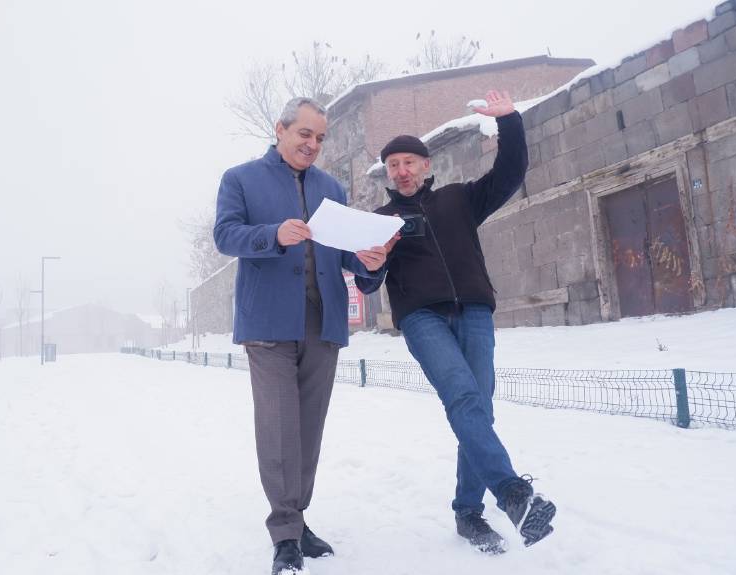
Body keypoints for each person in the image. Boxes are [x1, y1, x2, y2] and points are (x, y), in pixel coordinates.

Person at [357, 90, 556, 554]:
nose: (402, 171)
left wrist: (509, 122)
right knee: (463, 397)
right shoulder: (380, 220)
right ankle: (512, 493)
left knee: (479, 410)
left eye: (409, 162)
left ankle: (468, 512)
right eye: (393, 166)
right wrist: (371, 262)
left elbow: (510, 174)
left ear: (427, 165)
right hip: (422, 318)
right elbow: (367, 282)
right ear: (388, 175)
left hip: (474, 312)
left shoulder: (460, 200)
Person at [214, 97, 391, 574]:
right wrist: (273, 235)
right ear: (281, 129)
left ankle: (298, 517)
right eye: (304, 134)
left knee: (308, 429)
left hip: (323, 323)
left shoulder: (332, 188)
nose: (312, 144)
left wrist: (371, 262)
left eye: (320, 137)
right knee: (278, 429)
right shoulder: (240, 179)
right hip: (269, 324)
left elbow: (347, 253)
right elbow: (225, 235)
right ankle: (285, 532)